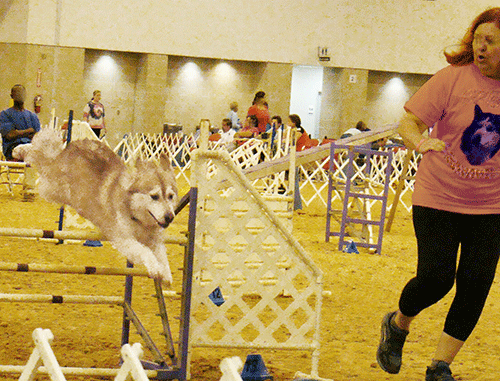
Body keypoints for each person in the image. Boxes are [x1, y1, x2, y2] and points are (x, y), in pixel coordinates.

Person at [376, 8, 500, 381]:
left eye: (490, 40)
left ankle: (439, 366)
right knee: (437, 278)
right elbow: (409, 120)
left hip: (491, 206)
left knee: (475, 286)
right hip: (438, 198)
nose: (481, 46)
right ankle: (398, 324)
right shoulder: (451, 79)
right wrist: (419, 141)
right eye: (477, 38)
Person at [0, 84, 40, 161]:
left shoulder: (32, 116)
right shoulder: (5, 114)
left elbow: (37, 136)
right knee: (29, 150)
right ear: (12, 96)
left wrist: (18, 132)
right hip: (13, 148)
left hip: (31, 146)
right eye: (17, 92)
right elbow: (9, 135)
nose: (20, 95)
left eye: (22, 93)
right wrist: (29, 131)